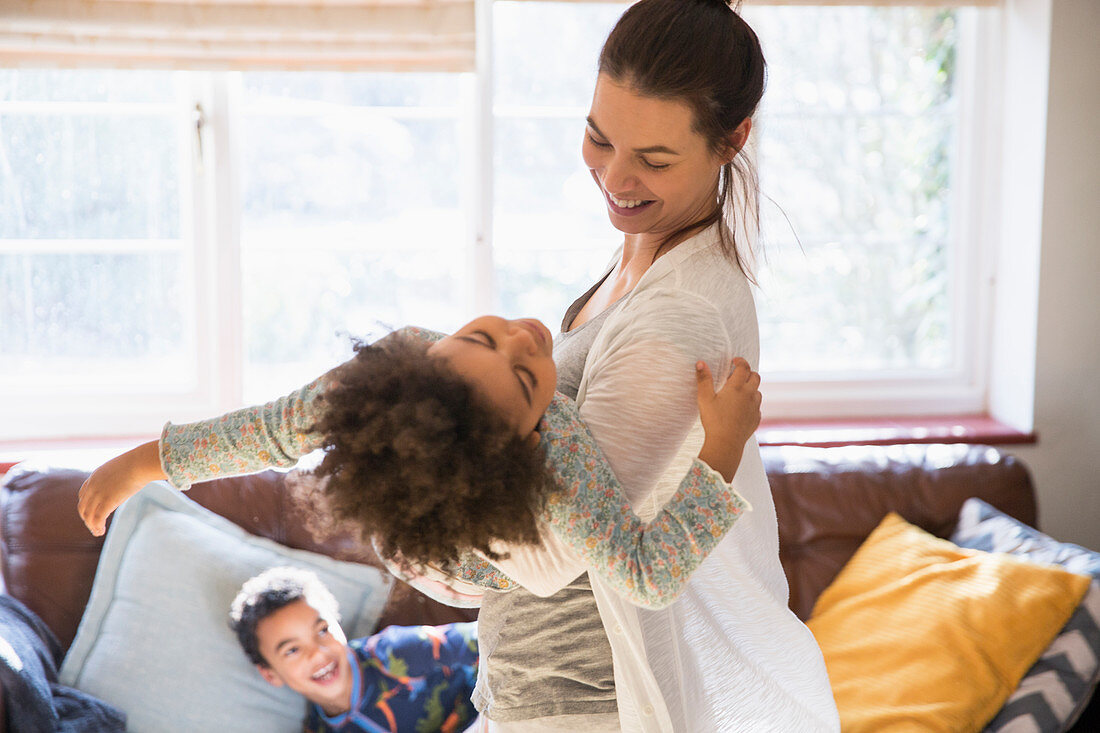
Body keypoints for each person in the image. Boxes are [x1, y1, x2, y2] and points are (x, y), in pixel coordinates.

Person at [400, 0, 841, 730]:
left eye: (655, 160)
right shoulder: (641, 250)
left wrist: (405, 517)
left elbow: (551, 557)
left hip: (590, 705)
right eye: (599, 138)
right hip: (536, 693)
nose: (616, 177)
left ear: (734, 139)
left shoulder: (681, 318)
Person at [77, 313, 760, 610]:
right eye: (527, 377)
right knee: (545, 580)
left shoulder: (401, 361)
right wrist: (721, 444)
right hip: (453, 573)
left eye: (483, 336)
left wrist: (143, 462)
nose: (523, 336)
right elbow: (644, 572)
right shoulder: (559, 465)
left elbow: (264, 430)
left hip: (444, 502)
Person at [229, 565, 479, 733]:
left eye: (322, 631)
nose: (317, 652)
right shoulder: (318, 727)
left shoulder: (394, 652)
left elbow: (487, 636)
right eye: (292, 650)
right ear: (270, 674)